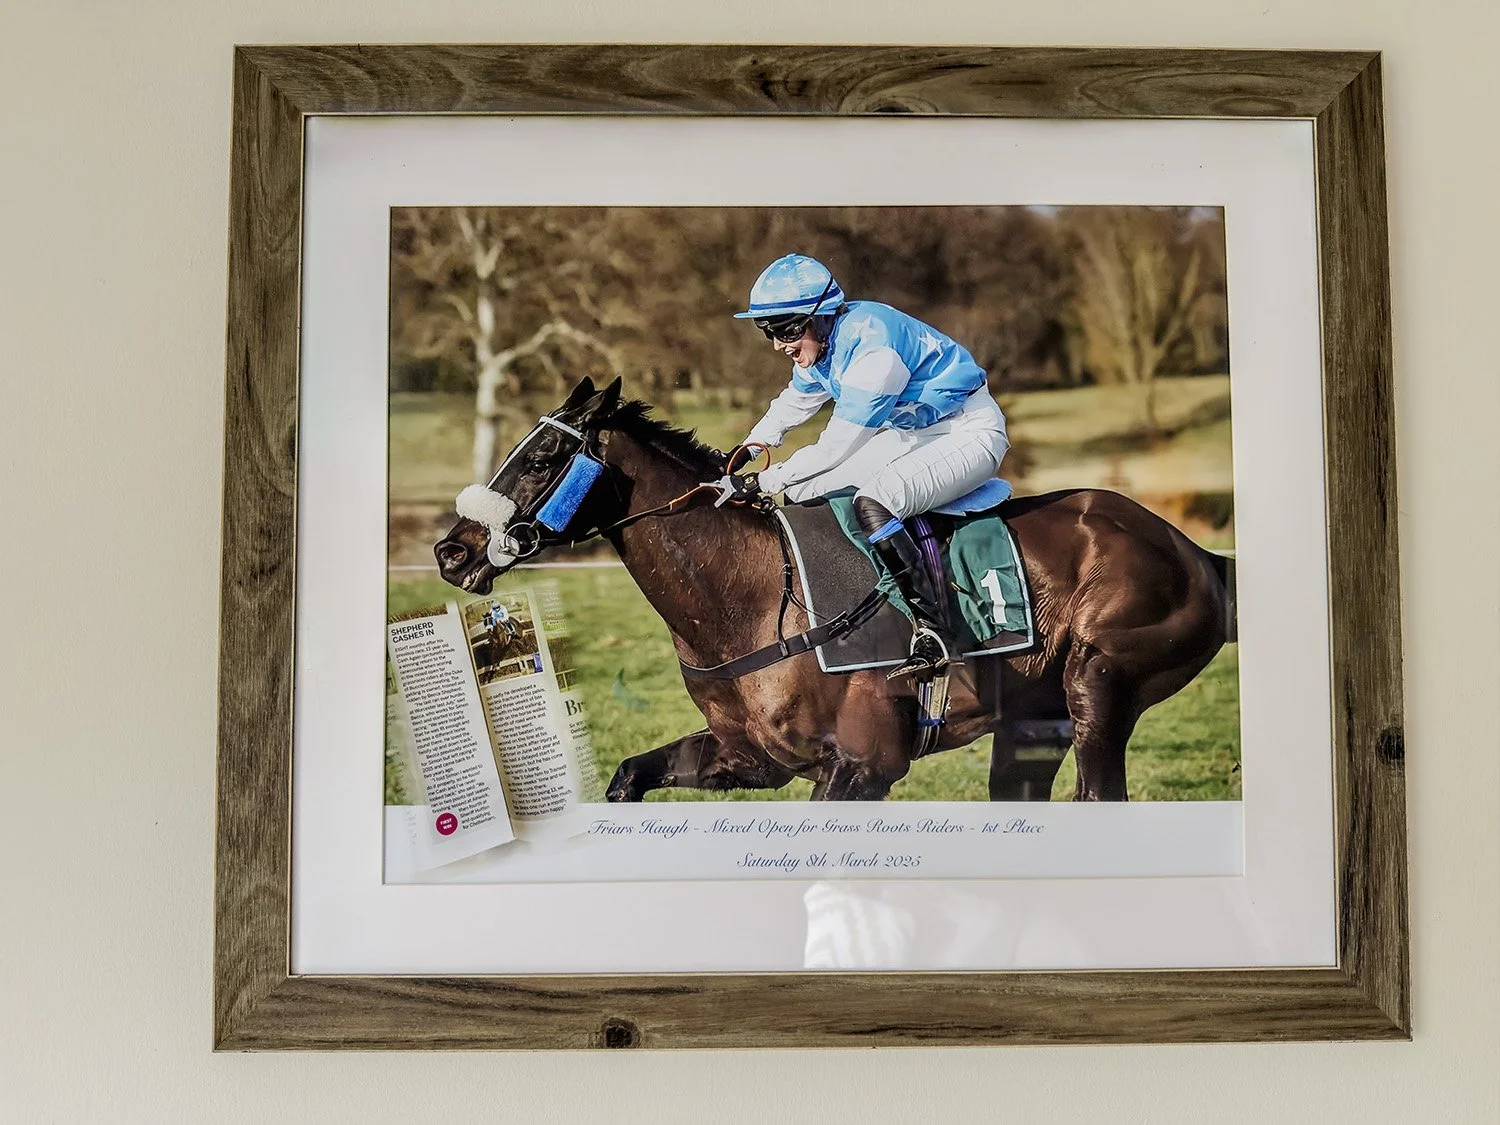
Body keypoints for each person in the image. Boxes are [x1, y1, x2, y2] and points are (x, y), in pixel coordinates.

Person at [728, 254, 1010, 681]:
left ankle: (934, 630)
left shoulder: (875, 352)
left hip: (969, 433)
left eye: (787, 329)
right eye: (768, 331)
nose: (778, 344)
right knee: (804, 492)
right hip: (916, 433)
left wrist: (764, 480)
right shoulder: (822, 347)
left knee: (874, 501)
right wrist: (745, 450)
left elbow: (834, 449)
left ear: (822, 318)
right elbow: (794, 403)